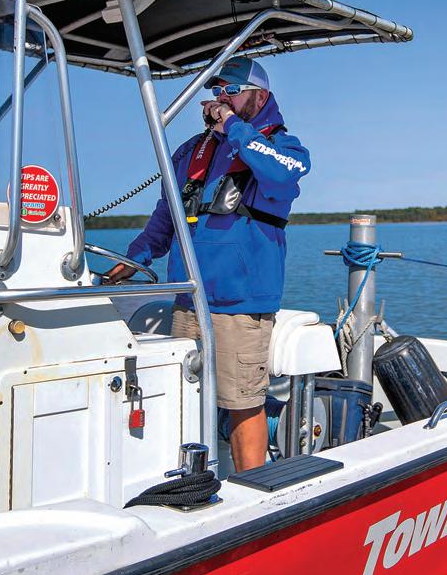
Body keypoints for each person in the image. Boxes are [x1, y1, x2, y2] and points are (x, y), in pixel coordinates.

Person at [104, 58, 309, 472]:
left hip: (240, 305)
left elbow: (279, 175)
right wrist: (132, 260)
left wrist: (232, 126)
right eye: (217, 91)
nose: (220, 98)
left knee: (242, 403)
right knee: (184, 396)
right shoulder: (191, 153)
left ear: (260, 97)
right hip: (188, 301)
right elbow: (166, 220)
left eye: (231, 91)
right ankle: (189, 482)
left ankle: (253, 493)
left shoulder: (286, 149)